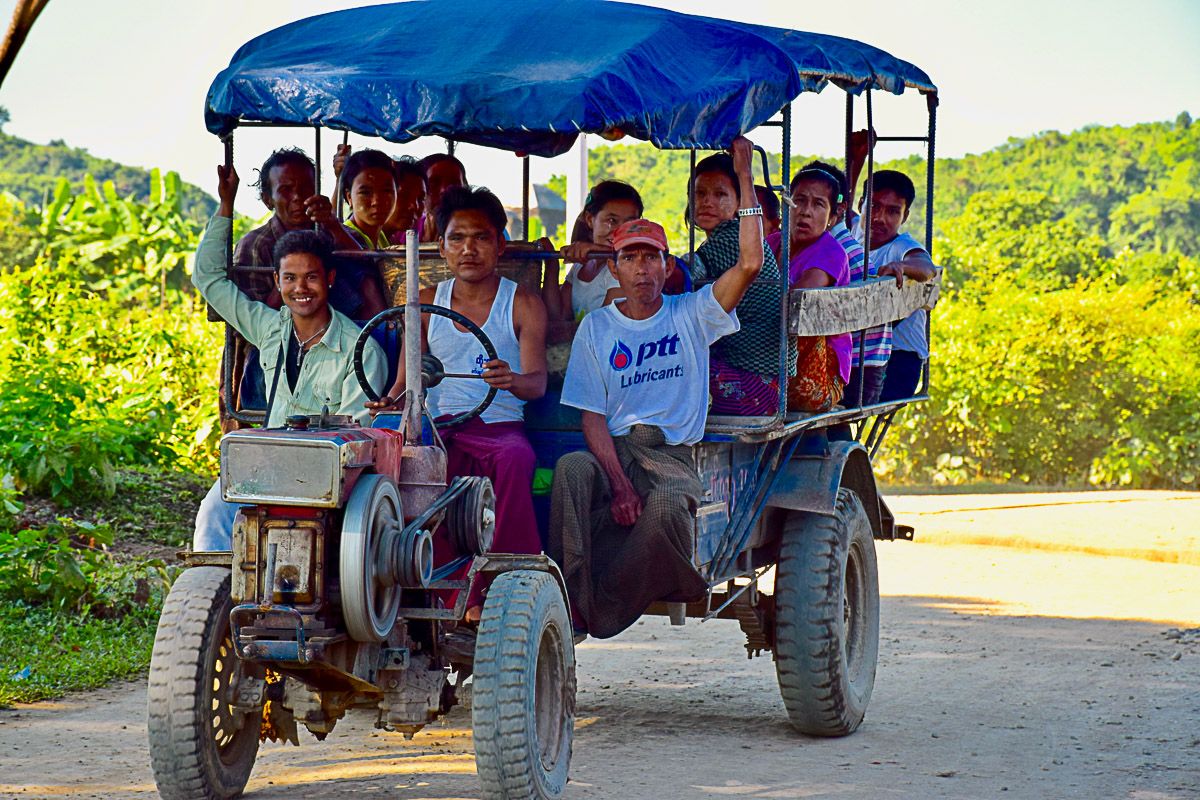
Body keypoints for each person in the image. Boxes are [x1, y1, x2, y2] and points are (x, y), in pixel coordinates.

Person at [548, 137, 764, 640]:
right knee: (571, 469)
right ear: (615, 267)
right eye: (631, 258)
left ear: (668, 268)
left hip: (671, 458)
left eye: (652, 258)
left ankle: (606, 603)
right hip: (616, 452)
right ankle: (572, 599)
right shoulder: (597, 327)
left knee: (666, 506)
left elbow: (750, 264)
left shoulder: (692, 313)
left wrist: (745, 176)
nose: (642, 268)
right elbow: (592, 416)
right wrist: (620, 484)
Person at [369, 185, 547, 620]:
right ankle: (443, 592)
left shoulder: (523, 303)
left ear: (500, 244)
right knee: (413, 468)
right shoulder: (425, 303)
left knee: (516, 459)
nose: (469, 249)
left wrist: (512, 380)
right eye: (458, 238)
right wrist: (387, 402)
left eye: (481, 237)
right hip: (440, 429)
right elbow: (405, 382)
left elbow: (537, 383)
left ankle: (505, 583)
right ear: (442, 247)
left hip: (501, 430)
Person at [192, 164, 388, 551]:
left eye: (311, 277)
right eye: (290, 278)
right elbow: (209, 279)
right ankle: (217, 583)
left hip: (328, 479)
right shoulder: (269, 329)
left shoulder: (361, 350)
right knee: (214, 512)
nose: (301, 288)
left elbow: (355, 438)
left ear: (329, 279)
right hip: (268, 464)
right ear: (277, 282)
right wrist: (225, 205)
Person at [223, 148, 361, 429]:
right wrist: (290, 279)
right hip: (268, 358)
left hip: (330, 350)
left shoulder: (326, 233)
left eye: (305, 188)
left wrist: (332, 223)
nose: (298, 198)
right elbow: (250, 322)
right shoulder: (256, 245)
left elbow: (364, 268)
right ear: (268, 199)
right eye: (286, 190)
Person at [689, 149, 791, 416]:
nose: (707, 202)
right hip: (769, 382)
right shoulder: (733, 240)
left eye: (720, 195)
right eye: (700, 193)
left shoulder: (730, 240)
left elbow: (683, 280)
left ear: (737, 205)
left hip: (753, 383)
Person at [854, 170, 937, 402]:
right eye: (874, 207)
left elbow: (927, 268)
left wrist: (901, 266)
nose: (880, 218)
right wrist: (857, 158)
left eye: (893, 211)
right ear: (861, 204)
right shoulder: (856, 231)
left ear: (905, 216)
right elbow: (840, 204)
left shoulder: (901, 246)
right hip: (865, 358)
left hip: (899, 362)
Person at [774, 165, 852, 412]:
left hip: (819, 376)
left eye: (818, 204)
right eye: (799, 201)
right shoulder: (772, 243)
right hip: (775, 360)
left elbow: (798, 302)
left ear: (832, 218)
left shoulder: (831, 252)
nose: (805, 212)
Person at [541, 180, 644, 321]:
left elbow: (604, 326)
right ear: (590, 219)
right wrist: (551, 265)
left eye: (630, 223)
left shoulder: (622, 272)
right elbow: (558, 315)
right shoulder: (580, 266)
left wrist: (597, 249)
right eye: (612, 221)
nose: (620, 231)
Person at [417, 152, 469, 242]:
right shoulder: (403, 231)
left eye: (454, 184)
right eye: (433, 184)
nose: (444, 190)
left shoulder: (482, 227)